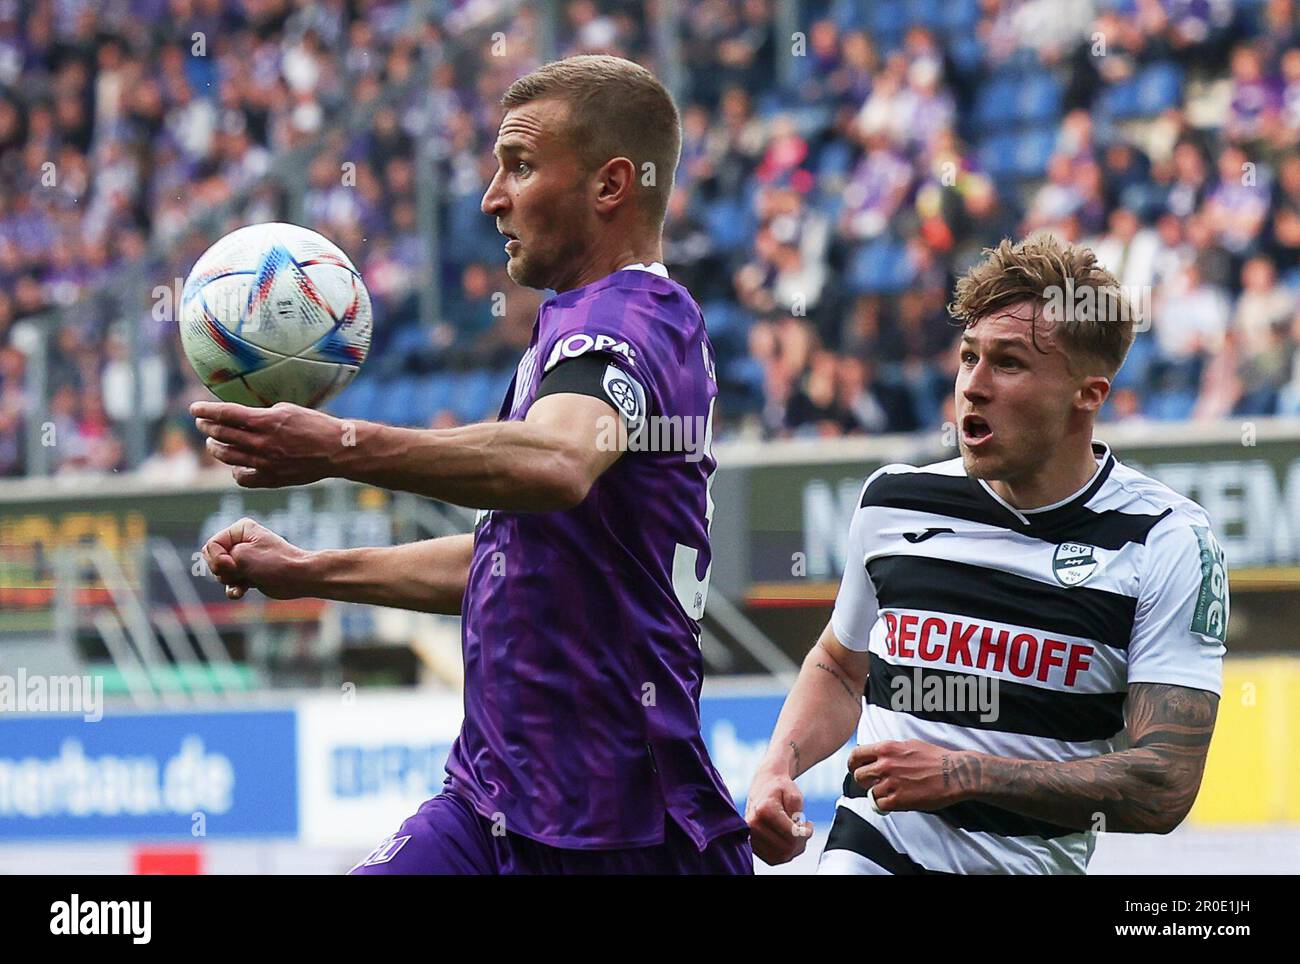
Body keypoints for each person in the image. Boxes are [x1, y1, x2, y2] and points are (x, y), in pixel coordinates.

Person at [192, 55, 751, 875]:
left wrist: (336, 446)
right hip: (489, 803)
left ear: (611, 186)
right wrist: (309, 570)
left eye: (519, 167)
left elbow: (558, 463)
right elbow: (507, 558)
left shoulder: (637, 317)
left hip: (621, 825)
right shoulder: (566, 332)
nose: (492, 197)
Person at [746, 235, 1228, 874]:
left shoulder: (1166, 540)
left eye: (1008, 363)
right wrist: (777, 767)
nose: (972, 387)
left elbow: (1165, 784)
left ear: (1089, 393)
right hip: (872, 854)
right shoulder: (896, 501)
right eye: (968, 357)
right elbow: (839, 667)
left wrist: (963, 773)